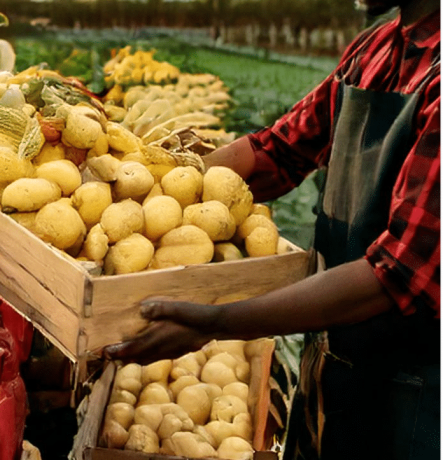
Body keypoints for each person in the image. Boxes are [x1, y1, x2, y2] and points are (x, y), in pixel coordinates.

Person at [105, 0, 440, 458]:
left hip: (413, 393)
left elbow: (396, 274)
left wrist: (220, 319)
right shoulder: (375, 48)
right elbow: (279, 151)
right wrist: (158, 187)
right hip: (331, 361)